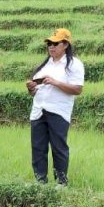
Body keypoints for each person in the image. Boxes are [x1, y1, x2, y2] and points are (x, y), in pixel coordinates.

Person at [26, 29, 84, 185]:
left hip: (58, 111)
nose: (51, 47)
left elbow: (77, 89)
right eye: (49, 44)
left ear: (65, 44)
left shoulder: (74, 64)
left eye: (55, 43)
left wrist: (55, 82)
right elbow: (34, 92)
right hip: (38, 111)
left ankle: (61, 183)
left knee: (59, 148)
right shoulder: (44, 65)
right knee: (38, 148)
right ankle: (40, 181)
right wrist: (31, 87)